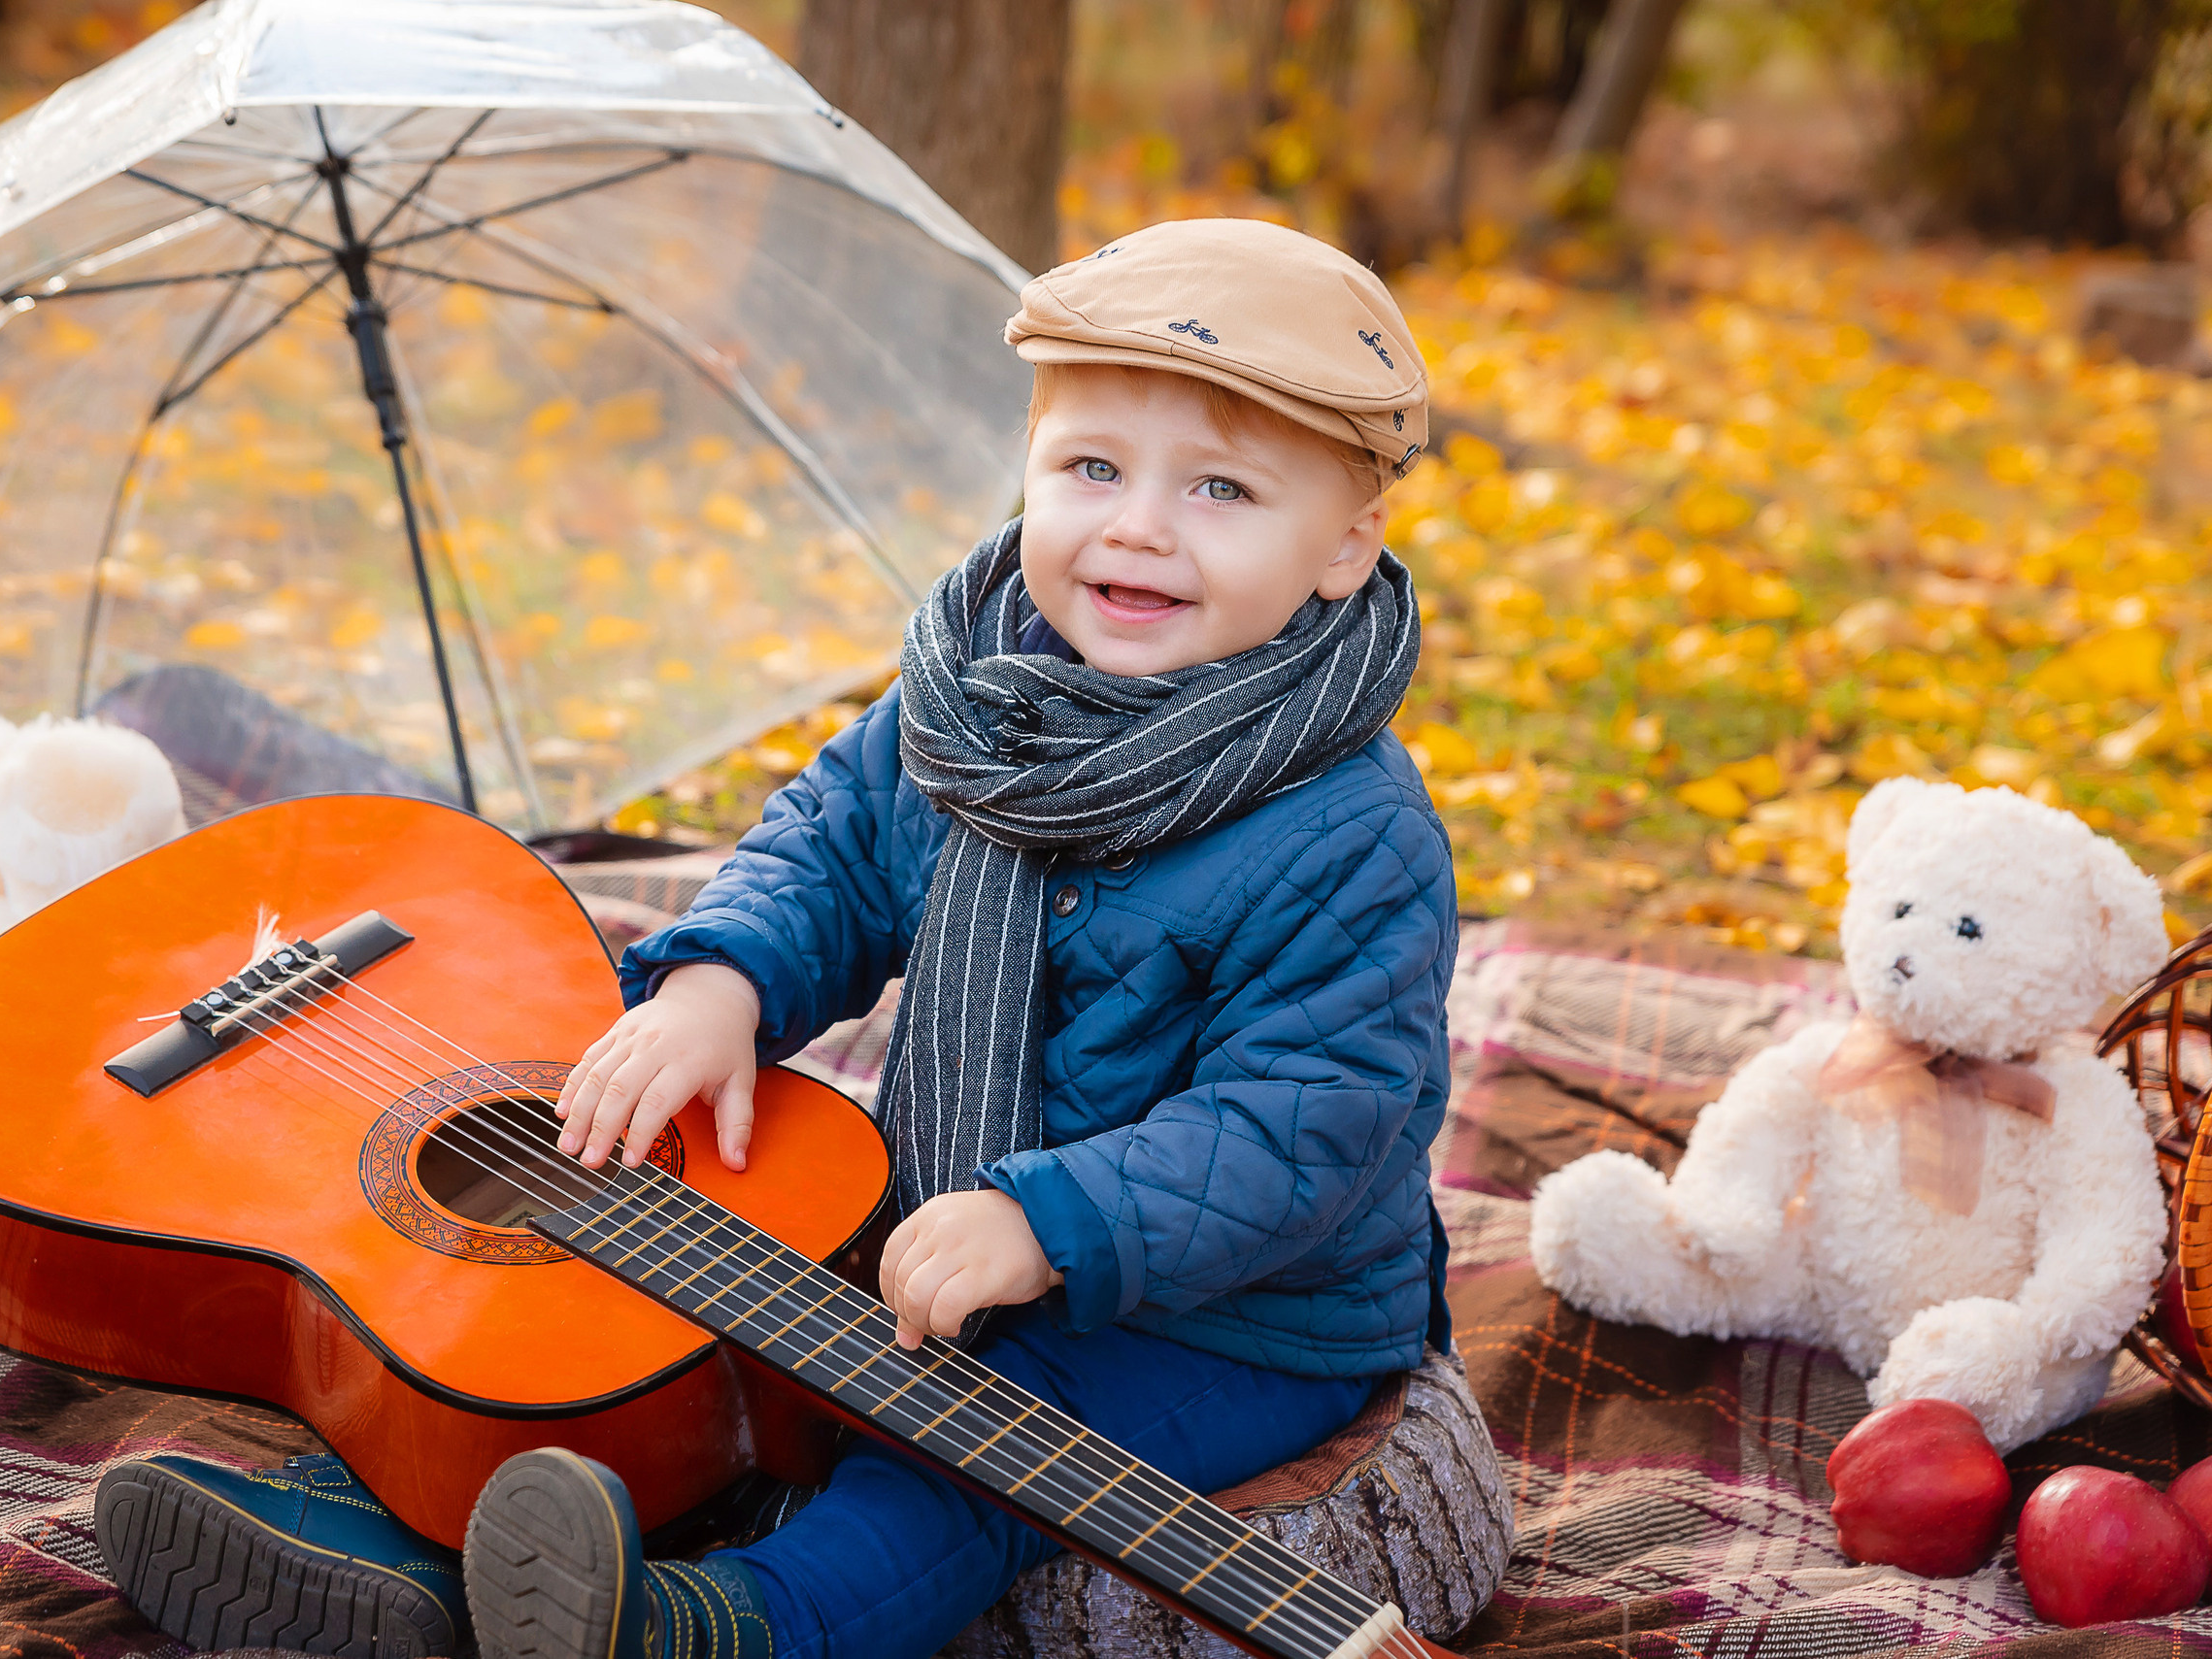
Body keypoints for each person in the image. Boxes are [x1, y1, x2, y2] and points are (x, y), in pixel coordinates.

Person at [98, 216, 1490, 1659]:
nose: (1137, 524)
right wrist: (722, 979)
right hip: (950, 1206)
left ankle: (727, 1626)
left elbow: (1301, 1127)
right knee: (668, 1287)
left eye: (1219, 487)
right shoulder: (983, 699)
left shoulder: (1350, 833)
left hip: (1237, 1318)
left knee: (971, 1452)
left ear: (1344, 543)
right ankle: (395, 1529)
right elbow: (831, 844)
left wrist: (1048, 1221)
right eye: (1092, 467)